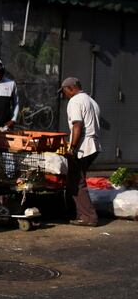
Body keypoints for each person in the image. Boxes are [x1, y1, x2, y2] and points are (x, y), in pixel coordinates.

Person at [59, 77, 101, 227]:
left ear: (70, 88)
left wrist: (72, 148)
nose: (64, 95)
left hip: (83, 147)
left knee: (77, 182)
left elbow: (77, 125)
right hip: (94, 145)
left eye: (64, 91)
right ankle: (77, 213)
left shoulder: (75, 101)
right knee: (75, 180)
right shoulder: (91, 101)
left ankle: (89, 217)